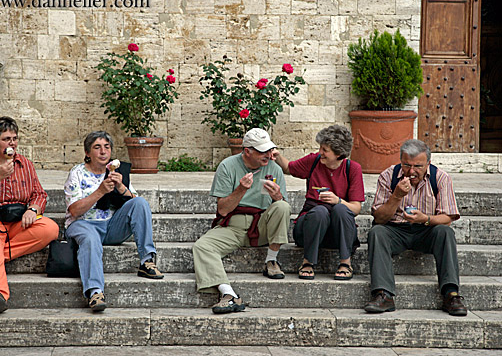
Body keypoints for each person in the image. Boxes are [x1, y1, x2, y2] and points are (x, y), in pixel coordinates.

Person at [0, 116, 59, 314]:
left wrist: (33, 209)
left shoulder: (25, 164)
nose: (12, 143)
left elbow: (39, 194)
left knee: (50, 228)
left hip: (15, 222)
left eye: (15, 138)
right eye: (7, 139)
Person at [192, 128, 290, 314]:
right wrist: (240, 190)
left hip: (262, 224)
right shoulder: (227, 166)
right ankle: (228, 294)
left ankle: (271, 261)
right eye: (262, 151)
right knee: (202, 246)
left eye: (269, 150)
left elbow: (282, 209)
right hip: (233, 225)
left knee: (282, 206)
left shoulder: (274, 168)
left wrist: (277, 196)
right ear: (247, 151)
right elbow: (222, 210)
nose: (268, 155)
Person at [364, 139, 467, 316]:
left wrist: (425, 219)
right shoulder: (388, 176)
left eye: (418, 166)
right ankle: (383, 294)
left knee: (445, 232)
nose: (411, 171)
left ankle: (451, 294)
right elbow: (379, 218)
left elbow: (447, 218)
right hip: (395, 229)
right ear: (400, 161)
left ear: (428, 163)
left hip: (427, 229)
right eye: (406, 165)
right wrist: (396, 196)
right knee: (377, 232)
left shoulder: (440, 178)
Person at [64, 131, 163, 312]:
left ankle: (147, 261)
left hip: (111, 226)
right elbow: (74, 210)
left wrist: (121, 186)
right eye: (97, 147)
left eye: (107, 147)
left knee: (140, 203)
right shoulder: (77, 173)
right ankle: (95, 292)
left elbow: (135, 203)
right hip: (83, 224)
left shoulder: (117, 172)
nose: (103, 152)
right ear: (88, 153)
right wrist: (100, 191)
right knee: (90, 239)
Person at [273, 125, 364, 281]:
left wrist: (338, 200)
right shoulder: (314, 161)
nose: (320, 152)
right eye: (320, 148)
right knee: (320, 211)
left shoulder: (352, 169)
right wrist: (277, 155)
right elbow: (289, 168)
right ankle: (307, 262)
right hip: (309, 227)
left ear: (339, 153)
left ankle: (345, 263)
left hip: (337, 232)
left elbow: (356, 208)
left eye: (325, 150)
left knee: (342, 209)